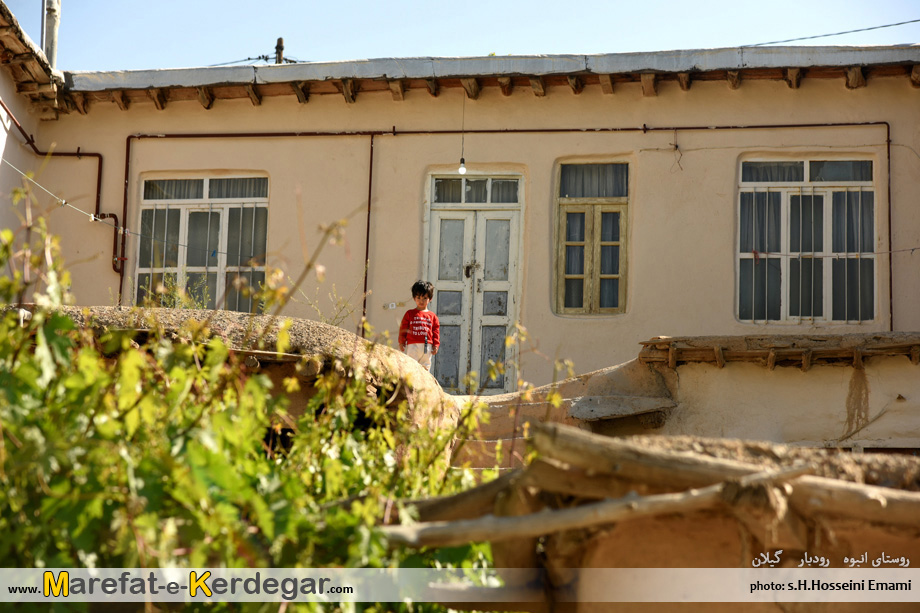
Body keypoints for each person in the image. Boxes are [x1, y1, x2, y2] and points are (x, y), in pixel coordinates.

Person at [398, 280, 440, 371]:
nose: (421, 301)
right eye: (418, 298)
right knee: (411, 366)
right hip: (413, 345)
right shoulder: (410, 313)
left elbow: (436, 331)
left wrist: (436, 345)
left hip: (427, 345)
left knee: (425, 367)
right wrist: (401, 341)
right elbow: (403, 329)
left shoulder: (433, 316)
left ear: (430, 298)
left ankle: (424, 385)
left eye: (424, 298)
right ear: (414, 298)